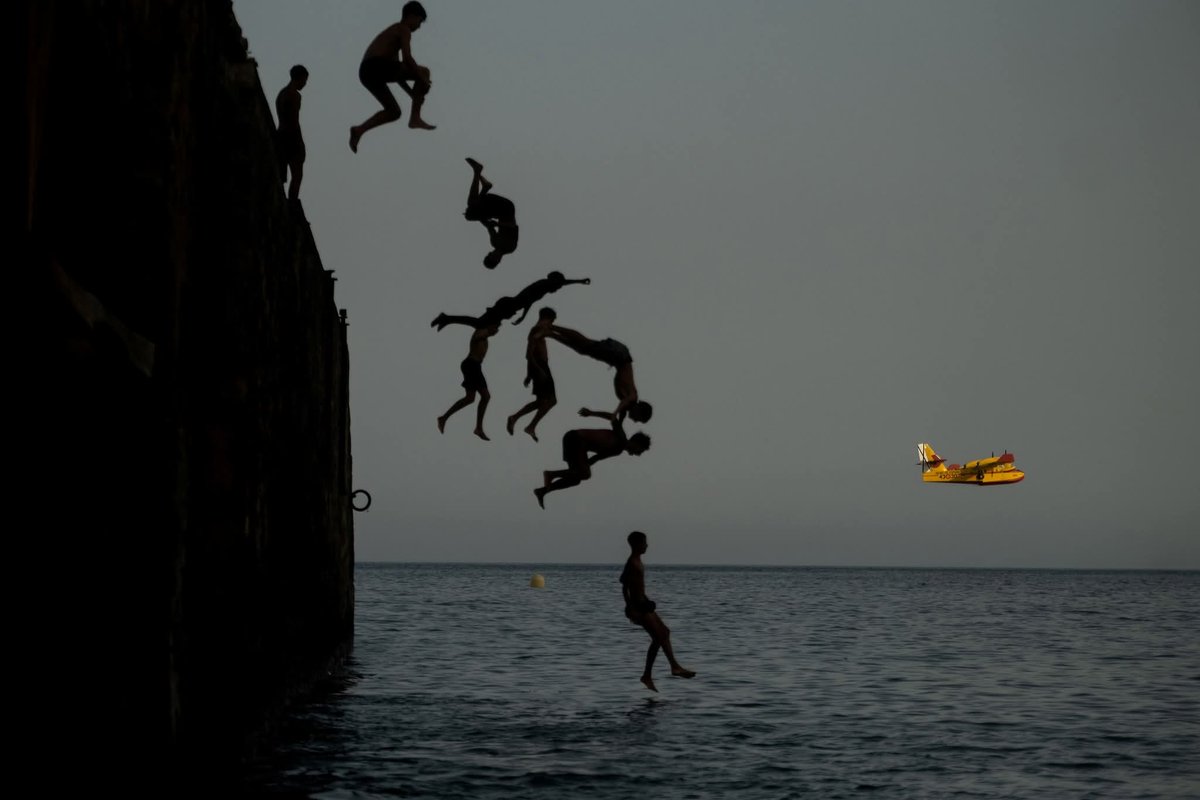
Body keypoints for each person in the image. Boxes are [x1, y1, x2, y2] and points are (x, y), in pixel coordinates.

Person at [349, 1, 435, 153]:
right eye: (419, 22)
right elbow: (408, 59)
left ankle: (359, 130)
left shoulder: (391, 36)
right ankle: (415, 118)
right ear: (411, 16)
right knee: (425, 71)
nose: (419, 27)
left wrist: (412, 94)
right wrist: (422, 80)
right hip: (376, 65)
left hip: (367, 72)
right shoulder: (403, 29)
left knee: (394, 112)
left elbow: (398, 74)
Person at [620, 531, 695, 692]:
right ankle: (668, 669)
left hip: (643, 604)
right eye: (644, 543)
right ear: (636, 544)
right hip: (638, 608)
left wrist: (647, 600)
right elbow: (624, 585)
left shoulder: (638, 561)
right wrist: (629, 607)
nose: (647, 545)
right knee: (659, 636)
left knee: (664, 633)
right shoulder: (632, 562)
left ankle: (656, 673)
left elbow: (636, 586)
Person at [534, 411, 650, 508]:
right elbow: (612, 417)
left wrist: (583, 467)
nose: (638, 454)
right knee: (584, 474)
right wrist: (591, 413)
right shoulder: (621, 437)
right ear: (637, 443)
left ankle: (542, 491)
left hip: (578, 446)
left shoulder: (617, 451)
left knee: (576, 479)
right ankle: (551, 474)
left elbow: (596, 458)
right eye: (640, 450)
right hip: (575, 439)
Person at [547, 324, 652, 423]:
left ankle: (551, 334)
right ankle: (551, 327)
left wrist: (591, 413)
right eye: (638, 419)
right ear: (639, 410)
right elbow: (623, 402)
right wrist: (616, 412)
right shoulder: (633, 397)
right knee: (585, 344)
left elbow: (611, 417)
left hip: (618, 358)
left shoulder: (626, 408)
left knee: (583, 349)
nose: (634, 421)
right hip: (620, 355)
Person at [430, 271, 591, 331]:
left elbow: (530, 300)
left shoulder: (542, 288)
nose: (557, 289)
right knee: (480, 324)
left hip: (509, 306)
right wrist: (579, 281)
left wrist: (523, 315)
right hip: (508, 306)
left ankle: (447, 319)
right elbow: (529, 299)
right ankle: (446, 318)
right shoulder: (544, 284)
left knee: (482, 326)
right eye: (557, 286)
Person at [437, 323, 499, 440]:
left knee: (470, 398)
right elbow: (476, 338)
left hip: (475, 366)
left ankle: (444, 418)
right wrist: (488, 332)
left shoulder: (485, 336)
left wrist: (488, 334)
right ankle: (478, 427)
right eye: (495, 327)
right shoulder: (480, 331)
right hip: (471, 364)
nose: (496, 330)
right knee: (485, 396)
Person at [507, 308, 558, 442]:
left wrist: (529, 374)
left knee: (542, 401)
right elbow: (529, 353)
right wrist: (536, 370)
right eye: (552, 320)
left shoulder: (538, 330)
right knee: (551, 400)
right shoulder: (538, 329)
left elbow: (530, 353)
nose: (552, 323)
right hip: (540, 366)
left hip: (540, 366)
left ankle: (517, 419)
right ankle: (529, 425)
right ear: (547, 318)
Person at [463, 158, 518, 269]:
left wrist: (479, 218)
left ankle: (484, 185)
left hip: (497, 212)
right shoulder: (510, 248)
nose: (496, 256)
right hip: (506, 209)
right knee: (472, 205)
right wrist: (497, 225)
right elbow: (513, 226)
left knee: (470, 212)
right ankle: (478, 174)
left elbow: (488, 226)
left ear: (490, 254)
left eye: (493, 257)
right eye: (496, 259)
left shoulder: (494, 242)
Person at [275, 65, 308, 202]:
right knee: (297, 175)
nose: (305, 84)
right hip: (291, 138)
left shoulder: (281, 93)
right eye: (304, 80)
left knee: (280, 174)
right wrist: (300, 143)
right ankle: (292, 204)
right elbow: (294, 121)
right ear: (299, 78)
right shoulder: (295, 95)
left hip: (280, 135)